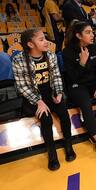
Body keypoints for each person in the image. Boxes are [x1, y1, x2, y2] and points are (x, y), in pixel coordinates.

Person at [12, 28, 76, 171]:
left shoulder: (51, 56)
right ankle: (52, 154)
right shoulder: (18, 60)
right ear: (30, 44)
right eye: (41, 40)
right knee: (46, 119)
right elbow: (21, 87)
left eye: (45, 38)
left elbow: (57, 77)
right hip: (33, 96)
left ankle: (68, 145)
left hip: (50, 92)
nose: (46, 42)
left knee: (64, 115)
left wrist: (59, 93)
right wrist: (38, 101)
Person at [62, 21, 96, 158]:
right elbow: (73, 77)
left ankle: (95, 118)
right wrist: (82, 63)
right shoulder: (67, 52)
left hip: (93, 82)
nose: (92, 35)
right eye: (88, 32)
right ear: (78, 35)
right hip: (76, 85)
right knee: (85, 104)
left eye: (92, 32)